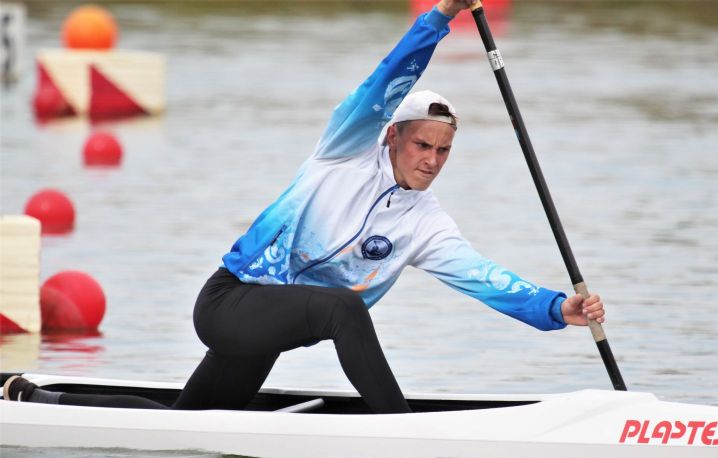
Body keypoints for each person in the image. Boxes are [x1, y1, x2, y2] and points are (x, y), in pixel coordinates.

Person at [3, 0, 605, 413]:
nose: (432, 160)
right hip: (231, 301)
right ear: (391, 136)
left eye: (443, 150)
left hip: (277, 322)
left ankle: (33, 400)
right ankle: (397, 429)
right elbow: (386, 81)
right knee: (344, 309)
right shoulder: (345, 149)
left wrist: (557, 306)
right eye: (422, 145)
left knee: (192, 419)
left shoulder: (426, 223)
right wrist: (442, 15)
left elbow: (484, 279)